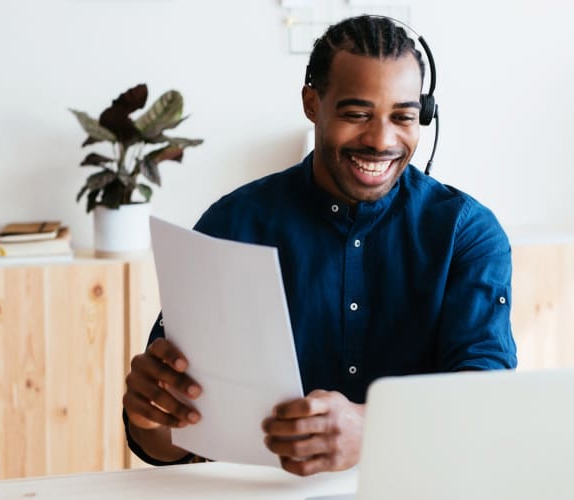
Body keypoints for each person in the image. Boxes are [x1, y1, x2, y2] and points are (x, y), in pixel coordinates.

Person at [121, 15, 517, 477]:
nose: (382, 140)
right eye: (356, 114)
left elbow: (486, 404)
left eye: (404, 117)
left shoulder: (466, 234)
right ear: (313, 103)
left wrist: (374, 430)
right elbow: (168, 442)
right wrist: (148, 418)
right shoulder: (232, 224)